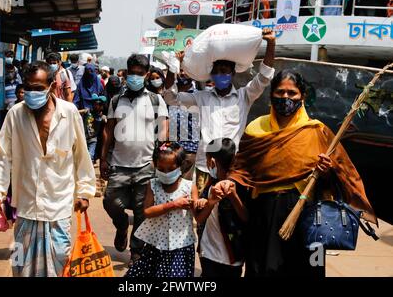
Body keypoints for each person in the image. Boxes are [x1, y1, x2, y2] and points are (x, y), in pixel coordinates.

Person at [214, 69, 377, 277]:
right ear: (271, 94)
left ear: (303, 96)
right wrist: (230, 182)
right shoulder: (256, 128)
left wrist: (327, 171)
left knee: (308, 268)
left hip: (308, 213)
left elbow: (340, 174)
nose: (285, 98)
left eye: (292, 93)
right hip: (265, 212)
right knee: (265, 267)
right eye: (280, 92)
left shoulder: (316, 130)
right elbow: (241, 169)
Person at [0, 61, 96, 277]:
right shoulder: (15, 114)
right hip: (26, 206)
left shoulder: (69, 112)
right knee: (20, 264)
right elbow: (3, 156)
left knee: (60, 261)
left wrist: (84, 192)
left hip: (60, 205)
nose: (31, 93)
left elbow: (81, 154)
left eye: (38, 88)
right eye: (28, 87)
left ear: (51, 87)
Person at [163, 28, 276, 195]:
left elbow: (264, 77)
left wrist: (271, 44)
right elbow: (171, 98)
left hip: (233, 167)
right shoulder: (202, 97)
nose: (219, 75)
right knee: (202, 212)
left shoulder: (244, 96)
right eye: (215, 72)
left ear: (232, 74)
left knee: (229, 213)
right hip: (205, 166)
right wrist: (173, 68)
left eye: (224, 71)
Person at [101, 54, 169, 267]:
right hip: (119, 164)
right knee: (110, 201)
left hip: (146, 165)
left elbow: (164, 127)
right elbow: (108, 130)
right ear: (127, 73)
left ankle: (136, 252)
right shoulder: (116, 100)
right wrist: (103, 158)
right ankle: (121, 226)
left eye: (141, 74)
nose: (136, 77)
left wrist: (162, 155)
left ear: (146, 75)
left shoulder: (156, 100)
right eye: (133, 73)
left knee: (142, 212)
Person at [125, 142, 198, 277]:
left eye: (171, 169)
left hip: (181, 247)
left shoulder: (189, 187)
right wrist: (173, 205)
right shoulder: (153, 185)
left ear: (181, 166)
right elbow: (147, 212)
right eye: (161, 169)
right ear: (155, 165)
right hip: (156, 246)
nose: (165, 173)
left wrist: (204, 203)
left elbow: (198, 217)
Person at [196, 138, 248, 277]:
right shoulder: (211, 183)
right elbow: (199, 219)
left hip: (232, 254)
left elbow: (246, 217)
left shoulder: (238, 184)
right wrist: (208, 202)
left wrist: (233, 196)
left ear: (212, 161)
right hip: (208, 252)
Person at [165, 70, 200, 180]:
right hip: (171, 150)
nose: (183, 73)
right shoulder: (169, 95)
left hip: (189, 150)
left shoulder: (198, 96)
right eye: (181, 70)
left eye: (187, 70)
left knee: (185, 187)